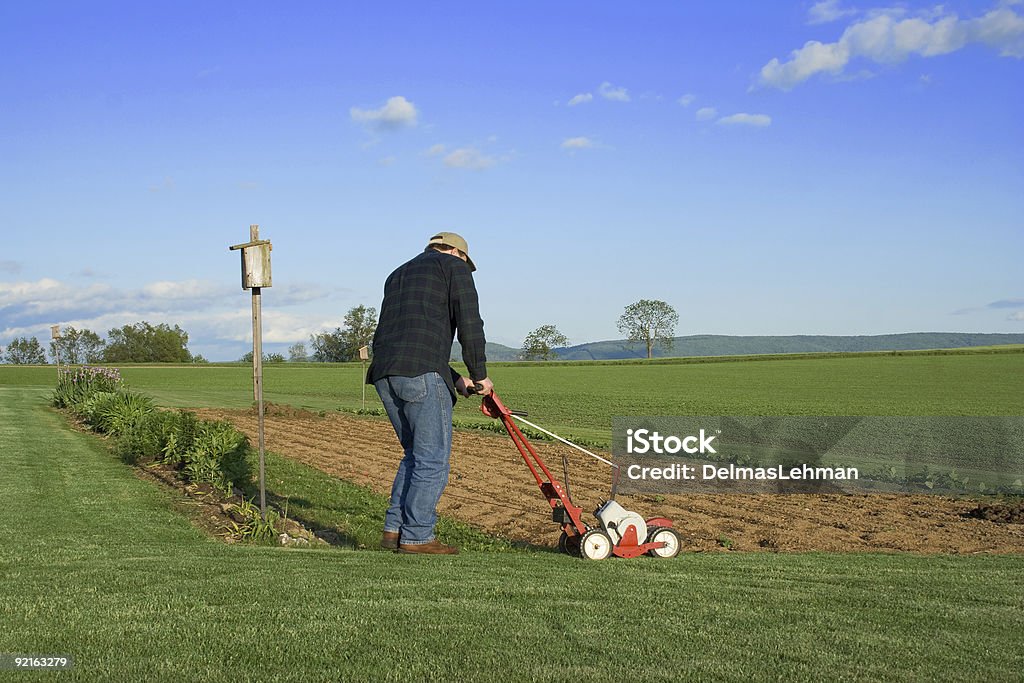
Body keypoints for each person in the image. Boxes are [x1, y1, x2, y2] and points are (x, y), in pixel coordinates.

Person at [366, 232, 494, 555]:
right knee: (432, 459)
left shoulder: (397, 275)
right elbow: (470, 324)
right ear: (455, 252)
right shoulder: (453, 266)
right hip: (420, 375)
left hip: (385, 374)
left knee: (414, 455)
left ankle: (393, 531)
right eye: (465, 259)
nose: (465, 265)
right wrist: (481, 375)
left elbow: (405, 338)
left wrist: (455, 379)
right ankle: (418, 537)